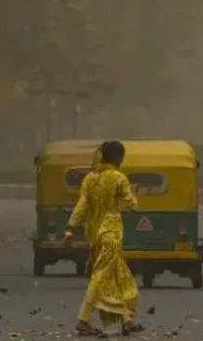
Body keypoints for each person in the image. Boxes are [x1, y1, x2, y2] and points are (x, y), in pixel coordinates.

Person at [64, 140, 143, 337]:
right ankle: (83, 320)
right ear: (119, 158)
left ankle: (126, 320)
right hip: (111, 234)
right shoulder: (119, 178)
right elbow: (132, 204)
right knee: (101, 277)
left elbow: (82, 205)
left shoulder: (90, 179)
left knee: (118, 277)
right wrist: (134, 198)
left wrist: (70, 228)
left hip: (94, 236)